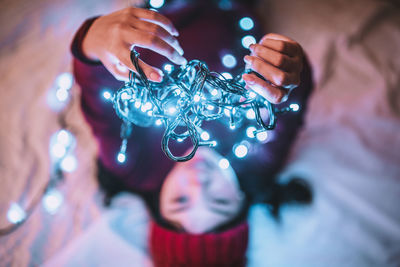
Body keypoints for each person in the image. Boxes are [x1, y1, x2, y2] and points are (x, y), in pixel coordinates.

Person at [71, 0, 312, 265]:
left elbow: (97, 94)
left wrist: (93, 39)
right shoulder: (257, 159)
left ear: (157, 205)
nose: (199, 182)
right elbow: (289, 98)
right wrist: (286, 70)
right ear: (241, 199)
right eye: (220, 201)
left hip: (153, 14)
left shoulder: (133, 165)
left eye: (180, 200)